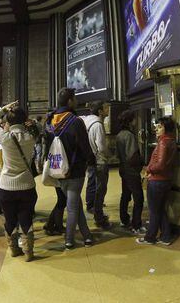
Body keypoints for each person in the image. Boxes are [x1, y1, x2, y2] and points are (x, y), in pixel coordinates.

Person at [0, 101, 38, 262]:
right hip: (27, 186)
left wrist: (3, 109)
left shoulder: (5, 137)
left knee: (10, 220)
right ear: (24, 120)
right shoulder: (31, 137)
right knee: (26, 219)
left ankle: (14, 250)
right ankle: (28, 252)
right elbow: (36, 127)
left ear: (8, 122)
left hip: (6, 188)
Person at [45, 88, 95, 249]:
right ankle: (69, 240)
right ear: (69, 101)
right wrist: (92, 161)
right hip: (75, 171)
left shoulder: (50, 121)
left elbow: (47, 146)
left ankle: (87, 236)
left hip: (57, 169)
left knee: (75, 204)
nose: (76, 101)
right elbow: (85, 146)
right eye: (75, 98)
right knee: (73, 207)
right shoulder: (75, 121)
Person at [137, 117, 177, 245]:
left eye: (160, 127)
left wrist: (148, 169)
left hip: (157, 181)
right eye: (157, 126)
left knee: (154, 211)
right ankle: (166, 236)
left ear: (166, 128)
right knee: (160, 209)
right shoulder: (171, 141)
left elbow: (160, 165)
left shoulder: (163, 142)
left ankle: (150, 237)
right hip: (166, 180)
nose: (156, 129)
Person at [82, 100, 111, 229]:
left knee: (92, 183)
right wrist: (108, 153)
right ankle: (99, 217)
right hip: (99, 160)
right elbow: (101, 147)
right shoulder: (98, 124)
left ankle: (91, 206)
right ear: (99, 111)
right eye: (105, 108)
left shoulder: (86, 121)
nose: (108, 109)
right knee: (101, 189)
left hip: (90, 159)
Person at [116, 110, 145, 234]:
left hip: (123, 169)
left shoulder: (119, 135)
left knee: (125, 195)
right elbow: (132, 156)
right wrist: (141, 164)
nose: (135, 121)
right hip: (132, 171)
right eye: (133, 119)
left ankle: (124, 219)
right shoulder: (129, 136)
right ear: (129, 121)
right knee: (138, 198)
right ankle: (136, 225)